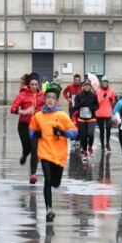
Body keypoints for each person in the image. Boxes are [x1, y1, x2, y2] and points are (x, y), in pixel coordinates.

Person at [29, 88, 78, 222]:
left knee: (55, 183)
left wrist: (62, 133)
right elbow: (31, 131)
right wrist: (35, 134)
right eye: (47, 98)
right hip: (45, 153)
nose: (50, 100)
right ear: (44, 100)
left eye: (53, 98)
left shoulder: (62, 116)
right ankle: (48, 209)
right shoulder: (38, 116)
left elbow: (75, 134)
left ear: (56, 101)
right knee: (47, 180)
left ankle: (50, 204)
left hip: (59, 155)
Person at [10, 74, 44, 183]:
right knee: (27, 148)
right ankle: (24, 154)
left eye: (36, 84)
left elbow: (49, 105)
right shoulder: (23, 94)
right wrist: (24, 111)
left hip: (36, 127)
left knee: (35, 149)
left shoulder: (42, 95)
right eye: (32, 84)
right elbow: (13, 108)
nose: (34, 86)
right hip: (24, 125)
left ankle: (33, 174)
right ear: (28, 85)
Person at [70, 78, 99, 159]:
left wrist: (92, 108)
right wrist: (80, 104)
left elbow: (97, 106)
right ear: (83, 86)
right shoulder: (79, 95)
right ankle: (85, 150)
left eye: (88, 85)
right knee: (83, 135)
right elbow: (74, 107)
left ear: (90, 87)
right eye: (85, 85)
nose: (87, 87)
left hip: (91, 118)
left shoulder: (93, 95)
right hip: (81, 118)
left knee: (90, 134)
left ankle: (90, 146)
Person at [96, 75, 116, 152]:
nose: (105, 83)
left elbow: (113, 102)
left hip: (108, 113)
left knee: (108, 129)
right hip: (100, 113)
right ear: (101, 83)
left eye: (106, 82)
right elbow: (97, 103)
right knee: (101, 131)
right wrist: (103, 97)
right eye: (104, 82)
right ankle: (102, 146)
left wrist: (112, 100)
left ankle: (107, 143)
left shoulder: (111, 91)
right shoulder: (98, 91)